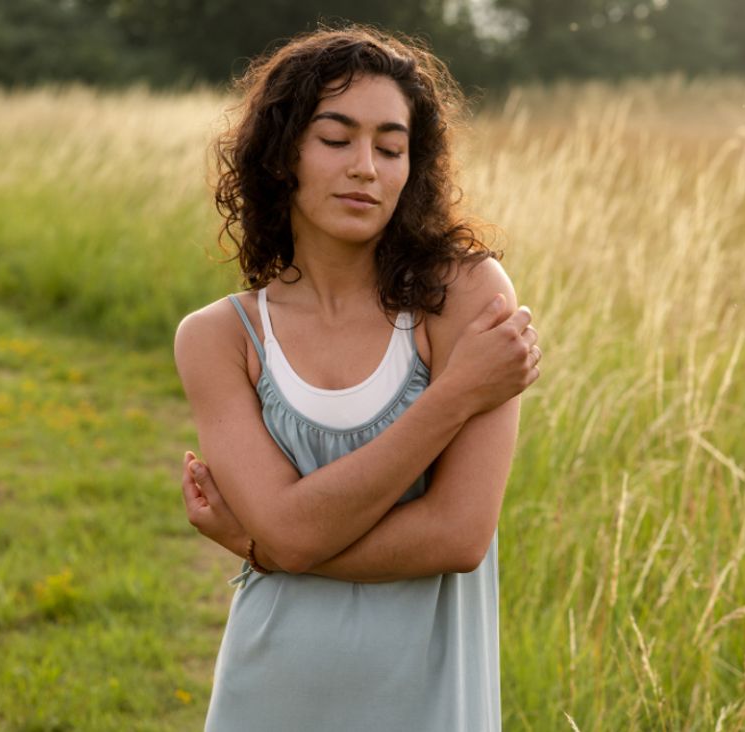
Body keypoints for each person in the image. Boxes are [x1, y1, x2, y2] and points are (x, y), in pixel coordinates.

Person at [171, 26, 541, 731]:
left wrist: (267, 546)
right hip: (268, 696)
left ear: (413, 164)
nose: (366, 167)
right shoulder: (219, 337)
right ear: (282, 156)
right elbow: (287, 534)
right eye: (336, 140)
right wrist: (457, 394)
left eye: (390, 146)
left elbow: (458, 537)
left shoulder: (464, 295)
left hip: (431, 704)